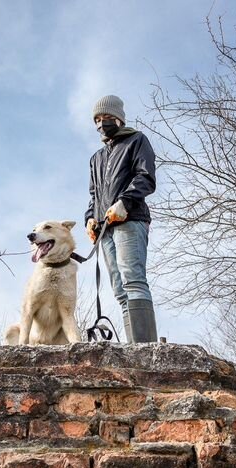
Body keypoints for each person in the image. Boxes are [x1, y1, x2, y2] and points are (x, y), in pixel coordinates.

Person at [84, 94, 158, 344]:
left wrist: (124, 203)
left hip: (130, 220)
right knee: (119, 290)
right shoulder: (96, 158)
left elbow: (145, 177)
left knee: (133, 281)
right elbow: (94, 195)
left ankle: (146, 350)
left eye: (106, 118)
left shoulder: (137, 141)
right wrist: (90, 219)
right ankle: (135, 348)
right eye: (97, 119)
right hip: (105, 230)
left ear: (119, 118)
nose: (101, 123)